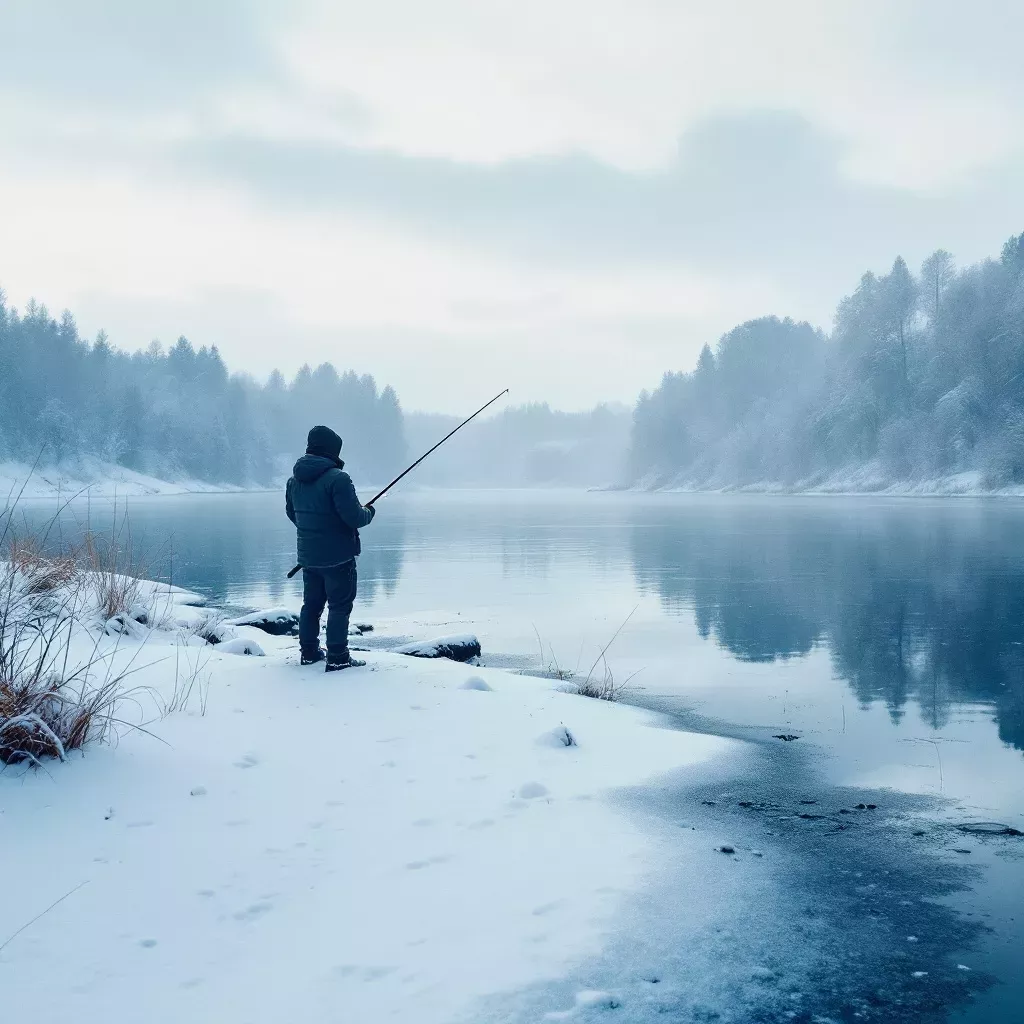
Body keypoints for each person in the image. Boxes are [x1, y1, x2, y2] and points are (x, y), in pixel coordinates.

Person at [285, 425, 375, 671]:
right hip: (338, 558)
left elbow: (292, 514)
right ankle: (338, 657)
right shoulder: (338, 479)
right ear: (332, 450)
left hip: (308, 558)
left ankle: (309, 653)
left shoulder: (294, 480)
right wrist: (370, 512)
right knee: (339, 606)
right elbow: (355, 517)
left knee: (311, 606)